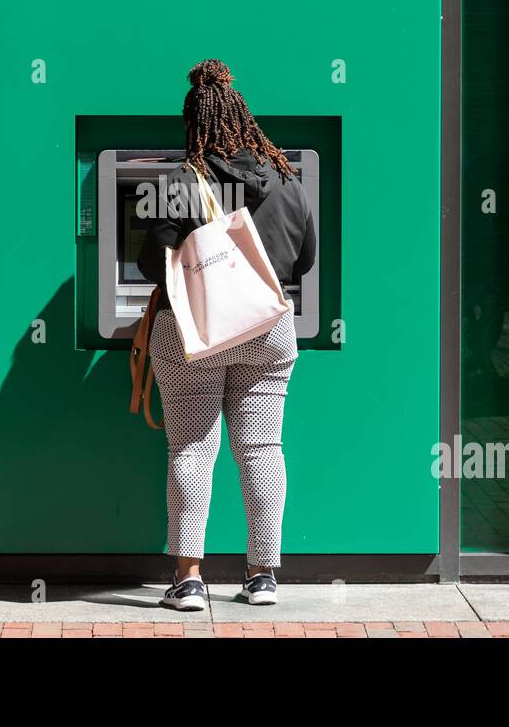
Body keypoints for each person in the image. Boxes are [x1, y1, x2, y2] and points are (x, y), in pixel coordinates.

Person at [136, 58, 317, 610]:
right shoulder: (288, 180)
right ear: (241, 115)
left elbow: (149, 265)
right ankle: (262, 577)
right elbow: (305, 262)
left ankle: (188, 579)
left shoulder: (182, 184)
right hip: (267, 329)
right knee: (261, 447)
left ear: (195, 122)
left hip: (194, 332)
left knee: (191, 447)